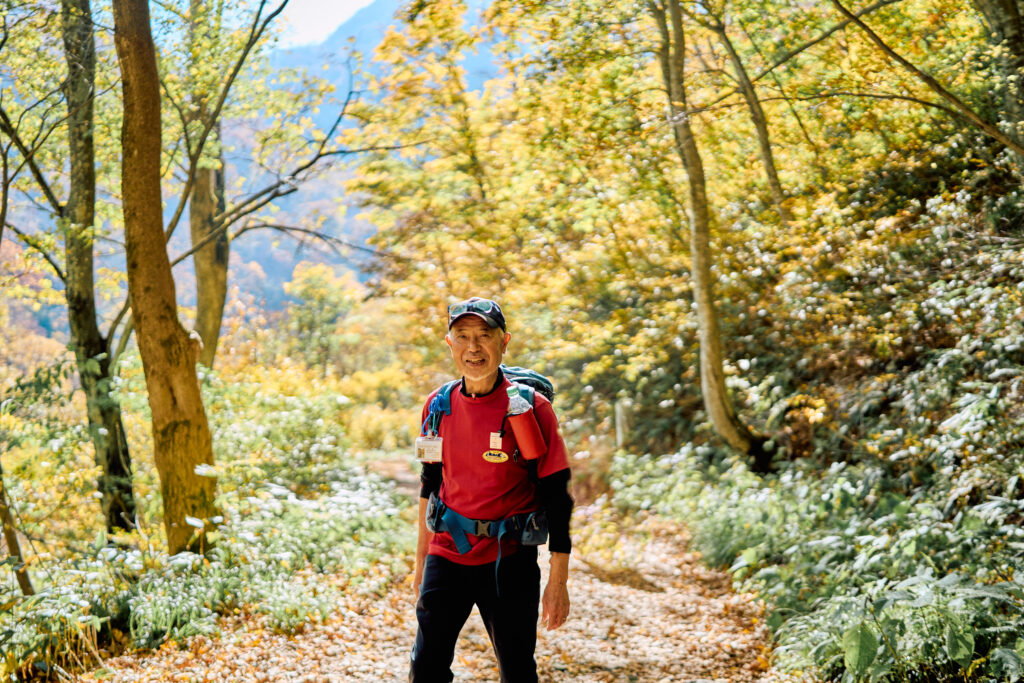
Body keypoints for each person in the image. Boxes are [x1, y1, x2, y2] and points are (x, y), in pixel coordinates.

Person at [410, 297, 574, 683]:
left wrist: (558, 581)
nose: (473, 347)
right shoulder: (438, 405)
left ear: (504, 342)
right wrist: (421, 563)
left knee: (517, 671)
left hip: (510, 559)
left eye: (484, 336)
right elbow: (429, 484)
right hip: (447, 552)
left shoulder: (531, 408)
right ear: (449, 344)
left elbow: (557, 496)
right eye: (462, 336)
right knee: (426, 668)